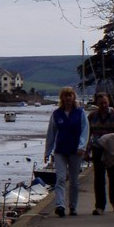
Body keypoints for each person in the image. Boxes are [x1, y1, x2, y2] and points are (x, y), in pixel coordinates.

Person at [45, 86, 89, 217]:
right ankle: (60, 205)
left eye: (70, 95)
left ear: (74, 97)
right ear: (62, 98)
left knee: (74, 181)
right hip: (60, 151)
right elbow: (51, 133)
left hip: (75, 151)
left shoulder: (80, 113)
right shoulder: (56, 114)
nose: (68, 98)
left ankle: (73, 207)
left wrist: (82, 146)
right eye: (65, 95)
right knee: (60, 178)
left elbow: (85, 131)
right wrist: (47, 152)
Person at [85, 92, 114, 215]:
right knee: (99, 178)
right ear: (96, 104)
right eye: (101, 103)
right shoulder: (92, 116)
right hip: (97, 148)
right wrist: (86, 151)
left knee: (113, 177)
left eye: (105, 102)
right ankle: (99, 206)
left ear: (108, 102)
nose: (103, 105)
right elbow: (87, 134)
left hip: (112, 149)